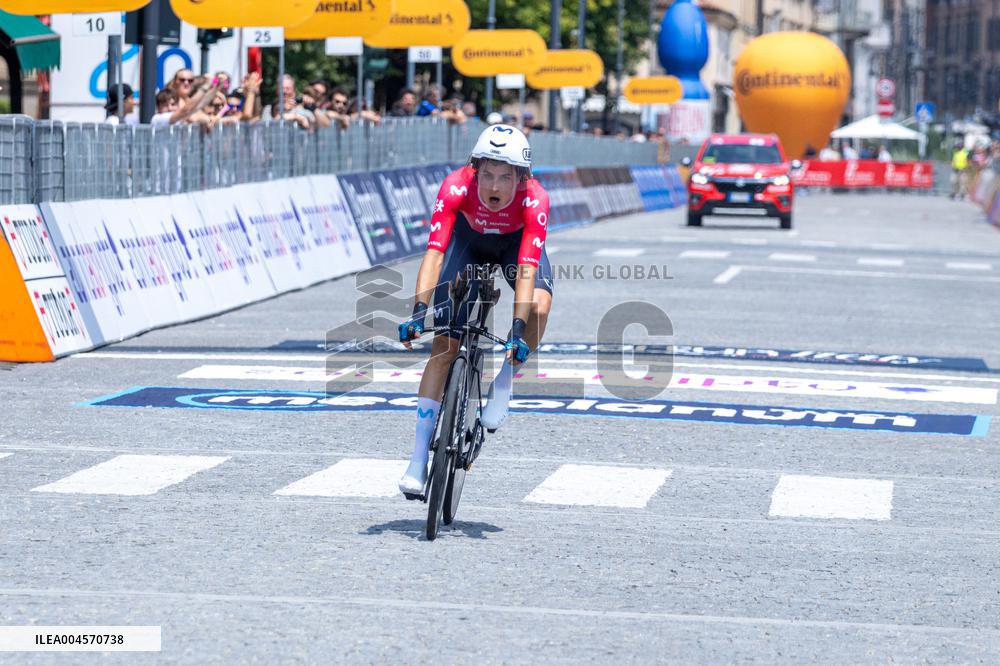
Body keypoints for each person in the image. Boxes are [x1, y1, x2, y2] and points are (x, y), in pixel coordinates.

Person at [396, 124, 554, 496]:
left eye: (505, 177)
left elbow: (527, 267)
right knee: (444, 347)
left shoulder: (535, 199)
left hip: (513, 248)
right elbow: (435, 253)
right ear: (475, 170)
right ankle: (417, 460)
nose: (494, 186)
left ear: (521, 178)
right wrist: (418, 312)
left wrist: (517, 331)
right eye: (487, 175)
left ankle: (504, 382)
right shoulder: (455, 186)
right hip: (467, 244)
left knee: (540, 305)